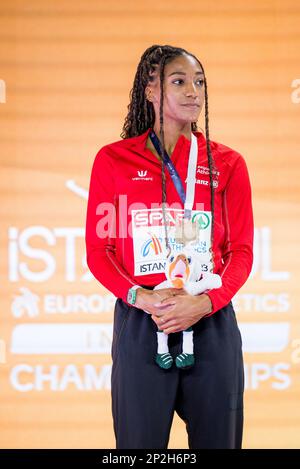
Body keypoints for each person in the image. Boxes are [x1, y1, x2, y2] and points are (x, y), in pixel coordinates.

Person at [85, 44, 254, 449]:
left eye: (199, 82)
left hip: (209, 320)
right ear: (150, 90)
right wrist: (141, 298)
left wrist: (206, 302)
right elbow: (99, 250)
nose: (193, 91)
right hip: (143, 322)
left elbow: (241, 252)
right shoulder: (114, 160)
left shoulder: (227, 163)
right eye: (179, 81)